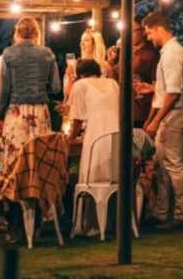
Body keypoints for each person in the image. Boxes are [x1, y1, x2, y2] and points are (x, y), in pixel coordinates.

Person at [0, 17, 61, 238]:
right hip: (40, 114)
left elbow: (5, 89)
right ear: (37, 33)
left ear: (17, 33)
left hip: (16, 114)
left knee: (14, 166)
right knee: (36, 166)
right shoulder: (48, 54)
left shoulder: (9, 54)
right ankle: (37, 224)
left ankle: (15, 227)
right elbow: (56, 87)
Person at [136, 12, 183, 228]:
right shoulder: (168, 53)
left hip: (173, 116)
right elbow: (164, 91)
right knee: (161, 165)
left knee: (173, 165)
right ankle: (161, 212)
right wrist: (151, 117)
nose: (149, 38)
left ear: (158, 28)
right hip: (167, 115)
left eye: (149, 33)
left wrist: (156, 120)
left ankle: (180, 215)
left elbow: (174, 92)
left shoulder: (172, 54)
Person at [66, 59, 119, 237]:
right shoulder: (112, 83)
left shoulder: (80, 85)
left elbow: (77, 118)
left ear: (80, 74)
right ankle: (112, 221)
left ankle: (92, 224)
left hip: (96, 135)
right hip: (116, 136)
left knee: (92, 179)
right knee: (112, 180)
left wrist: (70, 139)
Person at [63, 28, 109, 103]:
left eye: (86, 40)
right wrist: (69, 75)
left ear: (95, 43)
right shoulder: (75, 64)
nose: (82, 43)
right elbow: (69, 93)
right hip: (79, 105)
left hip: (97, 105)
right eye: (81, 41)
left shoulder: (104, 65)